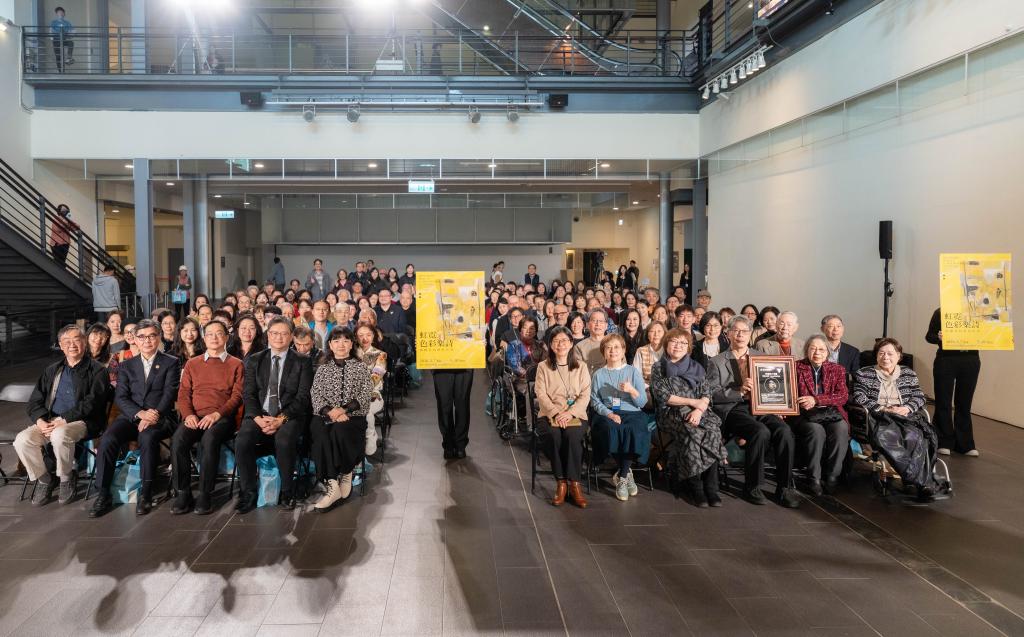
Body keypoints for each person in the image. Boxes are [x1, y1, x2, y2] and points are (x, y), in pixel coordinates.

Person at [706, 316, 801, 508]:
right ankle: (752, 486)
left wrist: (779, 406)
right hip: (733, 408)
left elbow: (775, 386)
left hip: (762, 407)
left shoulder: (761, 357)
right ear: (728, 333)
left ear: (750, 334)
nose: (740, 335)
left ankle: (784, 487)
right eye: (736, 331)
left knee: (784, 431)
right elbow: (712, 393)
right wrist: (739, 391)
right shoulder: (716, 361)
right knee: (760, 431)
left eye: (744, 331)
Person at [89, 320, 181, 517]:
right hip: (132, 416)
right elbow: (121, 397)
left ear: (158, 338)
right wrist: (140, 414)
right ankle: (103, 493)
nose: (147, 340)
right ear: (136, 340)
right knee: (108, 438)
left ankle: (146, 493)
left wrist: (153, 414)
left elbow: (169, 394)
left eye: (152, 336)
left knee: (147, 437)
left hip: (161, 417)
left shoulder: (171, 362)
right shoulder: (126, 365)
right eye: (142, 337)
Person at [15, 325, 108, 506]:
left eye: (77, 340)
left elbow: (92, 403)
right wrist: (40, 421)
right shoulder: (52, 370)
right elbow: (35, 401)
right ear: (60, 345)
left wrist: (63, 420)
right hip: (50, 421)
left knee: (59, 434)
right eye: (67, 341)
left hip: (83, 421)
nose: (72, 345)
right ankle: (45, 479)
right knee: (22, 440)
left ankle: (66, 477)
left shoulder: (98, 370)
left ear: (84, 342)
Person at [235, 317, 314, 513]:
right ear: (268, 335)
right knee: (243, 440)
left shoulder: (303, 361)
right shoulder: (255, 360)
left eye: (284, 333)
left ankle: (287, 490)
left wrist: (280, 419)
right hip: (259, 415)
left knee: (284, 440)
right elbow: (248, 394)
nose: (279, 337)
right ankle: (248, 492)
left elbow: (303, 397)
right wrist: (257, 418)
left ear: (291, 337)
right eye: (275, 333)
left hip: (289, 415)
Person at [171, 320, 244, 515]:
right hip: (195, 416)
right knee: (178, 440)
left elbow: (237, 396)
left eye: (219, 333)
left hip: (222, 417)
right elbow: (183, 394)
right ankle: (183, 492)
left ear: (226, 337)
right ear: (204, 338)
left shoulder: (236, 364)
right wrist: (188, 415)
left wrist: (217, 414)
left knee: (209, 439)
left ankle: (205, 493)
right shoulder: (192, 363)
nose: (214, 337)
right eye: (210, 334)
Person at [852, 338, 938, 501]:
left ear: (899, 356)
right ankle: (919, 482)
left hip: (905, 415)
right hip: (880, 416)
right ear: (876, 355)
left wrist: (907, 408)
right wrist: (882, 408)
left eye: (890, 354)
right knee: (889, 437)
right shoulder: (865, 373)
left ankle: (913, 480)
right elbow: (858, 396)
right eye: (881, 353)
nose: (885, 357)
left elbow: (919, 396)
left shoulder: (908, 373)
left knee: (915, 436)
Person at [651, 328, 726, 507]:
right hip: (671, 414)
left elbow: (706, 393)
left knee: (713, 431)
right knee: (692, 432)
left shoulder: (696, 366)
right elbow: (664, 396)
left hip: (699, 412)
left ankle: (711, 488)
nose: (678, 345)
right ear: (666, 344)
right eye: (674, 341)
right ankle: (696, 487)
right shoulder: (659, 367)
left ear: (688, 347)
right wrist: (693, 402)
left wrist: (698, 411)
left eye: (683, 343)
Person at [310, 327, 374, 512]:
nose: (341, 345)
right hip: (325, 415)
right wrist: (331, 412)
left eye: (346, 340)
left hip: (353, 416)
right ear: (330, 345)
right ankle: (332, 483)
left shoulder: (360, 367)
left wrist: (343, 410)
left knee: (340, 431)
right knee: (319, 431)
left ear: (351, 344)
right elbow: (315, 394)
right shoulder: (323, 368)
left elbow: (365, 394)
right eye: (336, 341)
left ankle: (346, 471)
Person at [534, 326, 591, 508]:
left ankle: (574, 484)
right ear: (551, 345)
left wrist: (570, 413)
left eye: (564, 340)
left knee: (572, 436)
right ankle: (561, 482)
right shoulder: (543, 367)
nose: (561, 344)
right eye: (556, 341)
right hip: (550, 413)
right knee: (554, 435)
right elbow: (541, 394)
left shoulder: (581, 366)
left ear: (571, 343)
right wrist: (557, 413)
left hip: (576, 414)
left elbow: (585, 395)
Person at [590, 334, 649, 502]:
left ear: (623, 350)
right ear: (603, 352)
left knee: (634, 430)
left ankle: (622, 476)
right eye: (608, 347)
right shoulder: (598, 374)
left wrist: (632, 390)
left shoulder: (632, 371)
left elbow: (642, 402)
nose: (613, 351)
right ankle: (626, 473)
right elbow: (594, 400)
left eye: (617, 347)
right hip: (608, 412)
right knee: (610, 429)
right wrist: (609, 413)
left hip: (632, 412)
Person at [791, 335, 850, 496]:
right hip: (805, 414)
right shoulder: (796, 367)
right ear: (806, 350)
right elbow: (789, 393)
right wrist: (802, 401)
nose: (817, 353)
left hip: (831, 413)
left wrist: (816, 399)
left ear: (828, 352)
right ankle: (814, 478)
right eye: (813, 348)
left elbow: (843, 396)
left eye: (822, 349)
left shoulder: (837, 369)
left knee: (841, 429)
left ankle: (832, 476)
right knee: (816, 432)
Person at [926, 308, 981, 456]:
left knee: (965, 403)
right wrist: (938, 337)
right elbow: (929, 336)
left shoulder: (978, 311)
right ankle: (943, 441)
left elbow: (991, 332)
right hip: (946, 359)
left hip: (971, 359)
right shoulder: (941, 311)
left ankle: (965, 444)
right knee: (943, 401)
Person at [355, 323, 387, 457]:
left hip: (373, 394)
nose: (364, 338)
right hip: (351, 394)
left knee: (365, 410)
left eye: (368, 335)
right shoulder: (350, 352)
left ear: (373, 336)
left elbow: (376, 377)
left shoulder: (380, 355)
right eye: (361, 335)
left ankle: (370, 435)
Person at [573, 309, 609, 374]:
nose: (597, 324)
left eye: (601, 321)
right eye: (594, 321)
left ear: (606, 325)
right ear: (587, 325)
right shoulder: (579, 347)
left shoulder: (615, 344)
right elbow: (577, 372)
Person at [49, 204, 78, 268]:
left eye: (67, 210)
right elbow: (58, 229)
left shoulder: (67, 220)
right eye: (63, 210)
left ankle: (61, 272)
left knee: (62, 261)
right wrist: (65, 221)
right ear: (59, 211)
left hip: (65, 243)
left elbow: (76, 227)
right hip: (56, 244)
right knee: (58, 261)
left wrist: (70, 221)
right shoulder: (56, 219)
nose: (65, 212)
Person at [50, 7, 74, 72]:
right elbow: (51, 30)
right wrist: (51, 38)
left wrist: (70, 35)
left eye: (61, 12)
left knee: (71, 43)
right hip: (56, 40)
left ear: (64, 14)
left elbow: (72, 30)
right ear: (56, 14)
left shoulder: (67, 22)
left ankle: (69, 57)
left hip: (64, 39)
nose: (60, 13)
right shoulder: (54, 22)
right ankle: (60, 71)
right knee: (58, 56)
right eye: (58, 12)